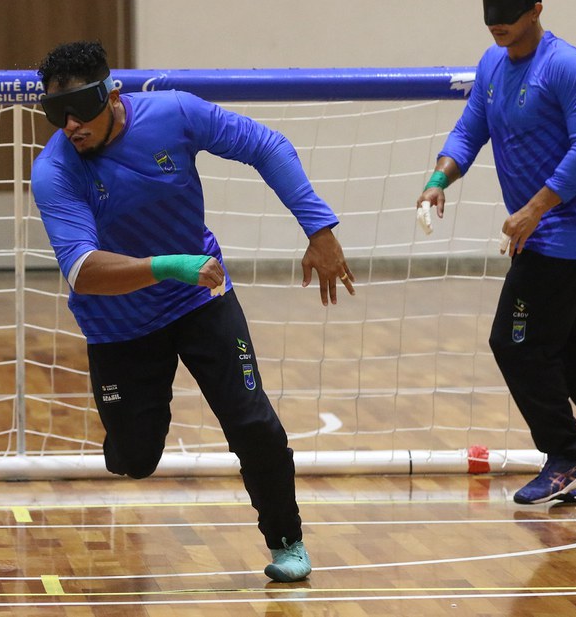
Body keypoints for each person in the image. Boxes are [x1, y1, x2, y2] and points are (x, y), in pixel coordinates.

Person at [31, 40, 354, 581]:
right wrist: (174, 264)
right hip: (120, 323)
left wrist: (319, 229)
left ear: (112, 95)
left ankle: (287, 543)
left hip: (201, 299)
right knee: (137, 458)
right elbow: (82, 269)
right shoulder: (56, 171)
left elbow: (267, 145)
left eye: (81, 110)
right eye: (55, 114)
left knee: (254, 425)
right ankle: (134, 426)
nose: (70, 126)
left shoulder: (175, 113)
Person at [417, 0, 576, 504]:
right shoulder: (493, 64)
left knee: (515, 344)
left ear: (536, 9)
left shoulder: (566, 66)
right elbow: (470, 129)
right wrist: (439, 179)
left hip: (565, 231)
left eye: (509, 19)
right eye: (491, 22)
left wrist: (535, 208)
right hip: (541, 235)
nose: (499, 29)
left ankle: (566, 457)